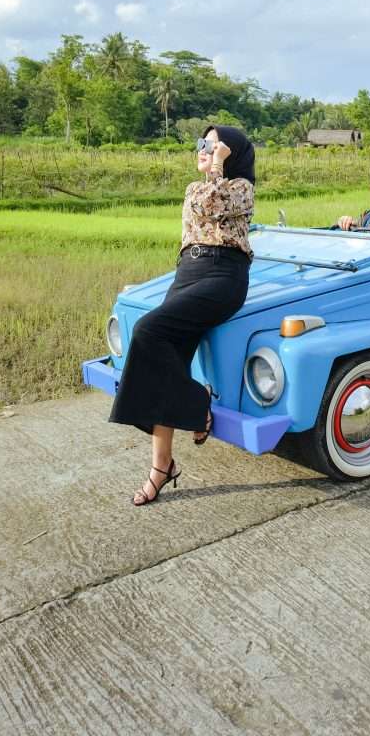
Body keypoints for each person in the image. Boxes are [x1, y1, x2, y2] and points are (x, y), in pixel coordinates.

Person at [110, 124, 255, 506]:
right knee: (164, 366)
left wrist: (218, 165)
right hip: (187, 274)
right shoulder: (194, 187)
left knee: (146, 331)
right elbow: (200, 202)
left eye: (212, 144)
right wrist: (212, 166)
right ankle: (162, 467)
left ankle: (196, 401)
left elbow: (213, 205)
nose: (204, 149)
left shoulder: (241, 188)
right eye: (202, 143)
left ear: (231, 152)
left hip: (223, 275)